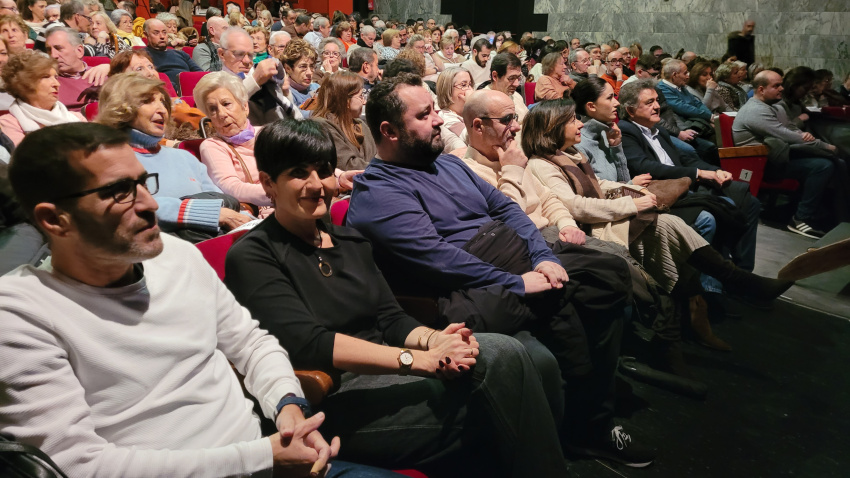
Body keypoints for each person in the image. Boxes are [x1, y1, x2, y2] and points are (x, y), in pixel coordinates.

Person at [0, 121, 374, 477]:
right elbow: (77, 466)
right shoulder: (20, 313)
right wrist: (260, 456)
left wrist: (288, 405)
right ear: (54, 219)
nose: (149, 205)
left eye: (144, 184)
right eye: (120, 192)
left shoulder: (176, 255)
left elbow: (251, 343)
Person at [223, 118, 567, 478]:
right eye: (298, 173)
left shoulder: (349, 241)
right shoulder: (253, 254)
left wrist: (438, 339)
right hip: (335, 397)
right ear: (267, 184)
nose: (316, 185)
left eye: (324, 171)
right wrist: (421, 360)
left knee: (508, 354)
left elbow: (391, 319)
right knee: (502, 388)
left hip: (392, 374)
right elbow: (311, 344)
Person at [347, 74, 655, 468]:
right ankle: (589, 425)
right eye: (425, 114)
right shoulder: (378, 191)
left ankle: (583, 411)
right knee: (563, 292)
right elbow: (438, 258)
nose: (440, 119)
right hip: (463, 287)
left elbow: (506, 208)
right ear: (388, 131)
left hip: (510, 253)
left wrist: (543, 256)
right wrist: (517, 281)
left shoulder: (447, 165)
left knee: (608, 270)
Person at [96, 74, 252, 242]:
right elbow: (132, 207)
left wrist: (249, 221)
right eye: (148, 101)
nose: (162, 109)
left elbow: (224, 203)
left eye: (163, 101)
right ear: (121, 108)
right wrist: (210, 214)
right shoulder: (107, 160)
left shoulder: (185, 157)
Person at [733, 70, 836, 238]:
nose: (781, 88)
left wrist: (808, 138)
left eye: (781, 84)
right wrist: (826, 146)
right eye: (776, 86)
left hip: (774, 157)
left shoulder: (772, 106)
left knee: (825, 161)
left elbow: (790, 128)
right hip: (761, 166)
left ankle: (819, 211)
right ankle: (801, 218)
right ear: (761, 89)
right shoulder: (756, 111)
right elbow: (788, 135)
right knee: (823, 165)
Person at [195, 72, 273, 218]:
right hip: (262, 214)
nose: (221, 114)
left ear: (245, 107)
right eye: (212, 109)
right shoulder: (213, 146)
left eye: (226, 104)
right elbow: (231, 187)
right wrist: (281, 193)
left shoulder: (267, 133)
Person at [108, 49, 205, 140]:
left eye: (150, 67)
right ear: (121, 79)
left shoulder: (175, 104)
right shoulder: (120, 111)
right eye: (139, 69)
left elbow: (205, 122)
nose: (150, 73)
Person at [0, 50, 85, 146]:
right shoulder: (10, 123)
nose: (57, 84)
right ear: (24, 84)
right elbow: (25, 158)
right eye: (46, 77)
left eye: (56, 77)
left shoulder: (77, 118)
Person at [310, 71, 375, 171]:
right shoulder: (322, 126)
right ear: (346, 100)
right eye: (361, 96)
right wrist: (383, 170)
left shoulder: (360, 124)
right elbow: (348, 165)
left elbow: (376, 157)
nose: (364, 101)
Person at [144, 18, 203, 95]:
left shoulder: (181, 54)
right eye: (156, 33)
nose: (162, 36)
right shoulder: (143, 56)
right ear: (146, 35)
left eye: (164, 32)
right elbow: (151, 79)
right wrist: (175, 88)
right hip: (166, 92)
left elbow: (200, 73)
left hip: (192, 89)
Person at [480, 53, 528, 123]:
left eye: (518, 78)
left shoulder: (516, 96)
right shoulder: (483, 102)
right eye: (511, 78)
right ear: (495, 76)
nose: (517, 84)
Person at [436, 67, 472, 153]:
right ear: (447, 89)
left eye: (470, 84)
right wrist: (473, 103)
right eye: (463, 85)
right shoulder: (445, 117)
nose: (470, 90)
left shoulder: (464, 112)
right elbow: (472, 138)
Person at [280, 39, 318, 111]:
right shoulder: (286, 94)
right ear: (288, 68)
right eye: (303, 67)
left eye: (312, 66)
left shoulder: (317, 88)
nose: (309, 72)